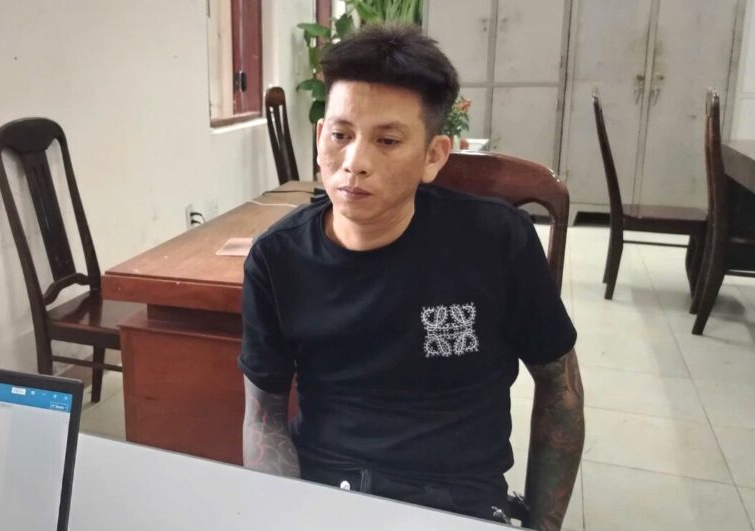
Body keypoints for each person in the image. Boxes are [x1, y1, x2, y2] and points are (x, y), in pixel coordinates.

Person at [238, 23, 584, 529]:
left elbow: (560, 391)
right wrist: (281, 516)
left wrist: (543, 525)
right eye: (341, 135)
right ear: (319, 137)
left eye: (387, 140)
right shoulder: (277, 259)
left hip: (458, 502)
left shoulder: (497, 242)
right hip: (328, 492)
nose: (354, 163)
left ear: (433, 156)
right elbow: (264, 413)